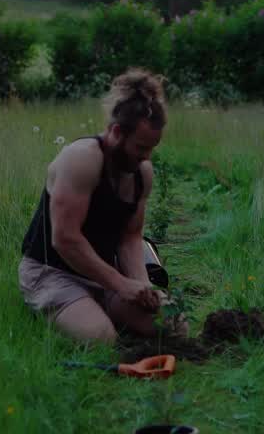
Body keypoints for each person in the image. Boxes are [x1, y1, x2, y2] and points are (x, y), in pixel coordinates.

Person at [19, 68, 174, 343]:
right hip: (52, 273)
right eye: (140, 147)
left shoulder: (142, 173)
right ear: (116, 132)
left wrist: (141, 287)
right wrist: (120, 284)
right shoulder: (80, 160)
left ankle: (99, 308)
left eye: (152, 148)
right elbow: (65, 239)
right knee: (100, 337)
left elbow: (131, 237)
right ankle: (74, 311)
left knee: (173, 324)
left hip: (105, 273)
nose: (146, 157)